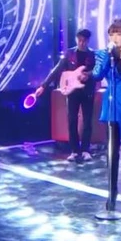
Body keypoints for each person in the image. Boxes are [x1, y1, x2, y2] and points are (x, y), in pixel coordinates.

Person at [74, 19, 121, 217]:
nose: (115, 37)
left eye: (119, 33)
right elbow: (97, 75)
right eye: (112, 34)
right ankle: (112, 192)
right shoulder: (103, 54)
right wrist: (107, 56)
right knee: (112, 151)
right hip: (112, 106)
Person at [35, 28, 97, 163]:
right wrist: (43, 86)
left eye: (84, 41)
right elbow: (56, 70)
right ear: (76, 39)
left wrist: (89, 75)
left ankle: (85, 150)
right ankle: (74, 150)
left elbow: (98, 72)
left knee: (87, 121)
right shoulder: (69, 54)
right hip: (72, 91)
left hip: (87, 91)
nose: (81, 43)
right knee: (72, 120)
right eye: (79, 40)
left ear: (88, 41)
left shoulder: (93, 55)